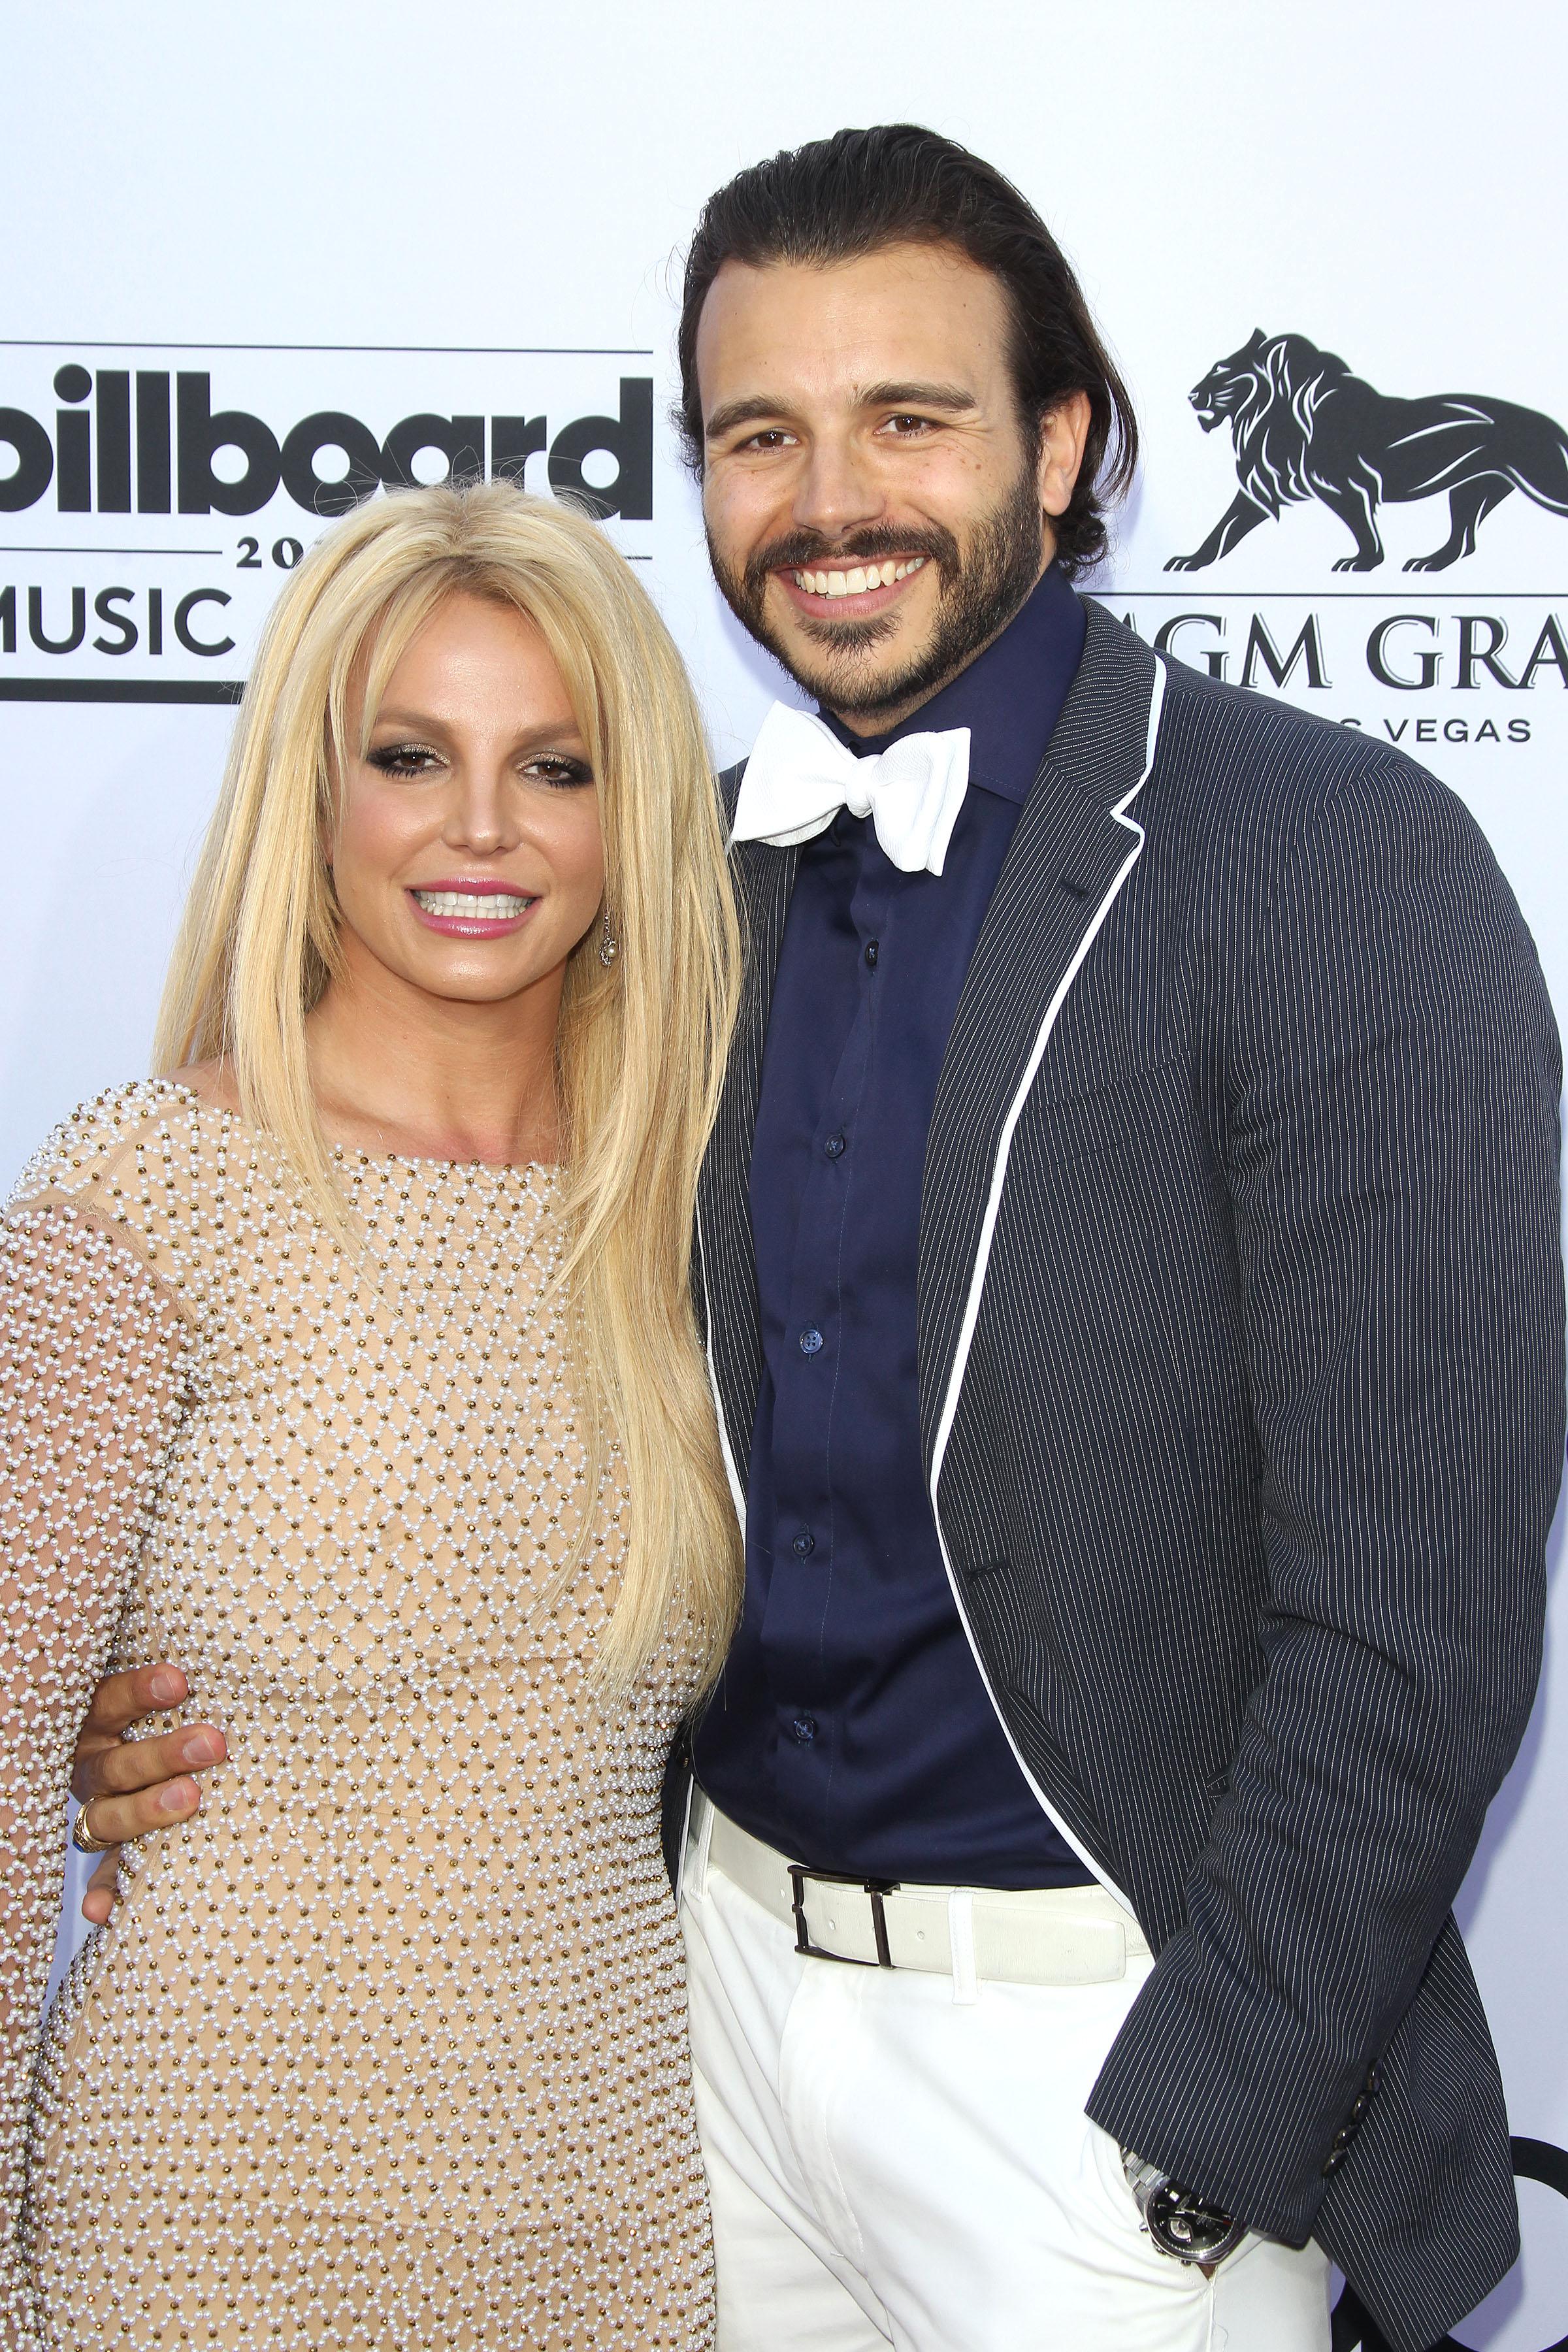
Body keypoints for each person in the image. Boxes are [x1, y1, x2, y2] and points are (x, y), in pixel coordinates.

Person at [68, 125, 1565, 2352]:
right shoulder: (687, 916)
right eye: (762, 433)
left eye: (912, 419)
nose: (831, 498)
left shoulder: (1336, 859)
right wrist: (206, 1698)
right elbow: (449, 1388)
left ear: (1067, 447)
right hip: (691, 2054)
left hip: (1101, 2080)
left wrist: (1208, 2132)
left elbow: (1416, 1618)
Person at [0, 480, 742, 2350]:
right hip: (207, 2220)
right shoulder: (144, 1190)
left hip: (612, 2214)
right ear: (312, 792)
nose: (482, 827)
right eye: (411, 754)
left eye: (556, 767)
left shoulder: (695, 1201)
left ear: (629, 805)